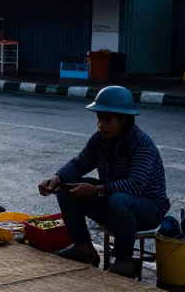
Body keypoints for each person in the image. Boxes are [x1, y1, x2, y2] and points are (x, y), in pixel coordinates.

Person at [37, 85, 170, 278]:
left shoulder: (142, 145)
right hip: (113, 201)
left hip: (147, 208)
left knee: (119, 199)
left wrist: (96, 191)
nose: (101, 124)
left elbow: (135, 185)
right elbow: (80, 163)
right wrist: (56, 178)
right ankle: (84, 248)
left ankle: (125, 260)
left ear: (123, 120)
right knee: (68, 187)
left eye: (107, 119)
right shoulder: (99, 140)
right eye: (99, 118)